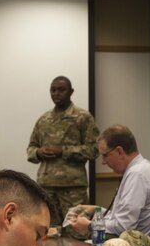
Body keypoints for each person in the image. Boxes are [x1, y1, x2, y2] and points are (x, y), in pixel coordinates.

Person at [65, 125, 150, 239]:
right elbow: (120, 219)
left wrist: (89, 226)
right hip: (127, 240)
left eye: (105, 155)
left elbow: (123, 227)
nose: (103, 162)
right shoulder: (139, 170)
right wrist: (96, 210)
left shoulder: (137, 174)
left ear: (119, 151)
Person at [26, 76, 100, 225]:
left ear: (71, 91)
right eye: (53, 90)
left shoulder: (82, 117)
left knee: (76, 231)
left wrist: (63, 151)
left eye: (61, 90)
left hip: (73, 188)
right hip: (46, 186)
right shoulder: (43, 119)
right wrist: (39, 152)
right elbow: (31, 148)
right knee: (49, 231)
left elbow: (94, 149)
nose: (56, 93)